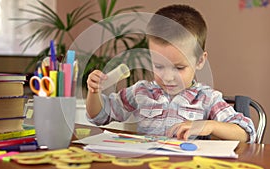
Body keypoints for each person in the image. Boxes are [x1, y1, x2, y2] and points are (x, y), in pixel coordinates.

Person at [86, 4, 256, 143]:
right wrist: (94, 92)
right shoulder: (140, 92)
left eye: (179, 68)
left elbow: (246, 133)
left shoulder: (206, 98)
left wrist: (208, 126)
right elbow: (100, 117)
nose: (168, 77)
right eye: (159, 66)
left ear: (200, 61)